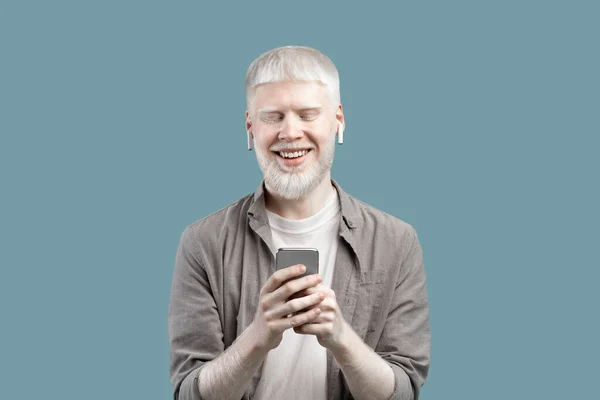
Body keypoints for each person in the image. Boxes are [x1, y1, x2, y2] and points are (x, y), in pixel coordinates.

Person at [168, 45, 430, 400]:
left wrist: (341, 338)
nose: (290, 132)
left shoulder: (396, 242)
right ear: (250, 126)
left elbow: (403, 392)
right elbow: (189, 393)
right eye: (273, 117)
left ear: (338, 120)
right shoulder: (203, 242)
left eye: (308, 115)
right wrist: (258, 335)